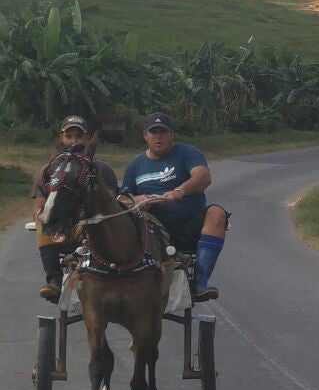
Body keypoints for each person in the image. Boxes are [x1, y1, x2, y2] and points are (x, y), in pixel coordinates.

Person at [120, 113, 228, 302]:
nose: (158, 136)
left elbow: (203, 177)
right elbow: (122, 200)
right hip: (151, 231)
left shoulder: (187, 152)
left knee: (217, 213)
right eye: (154, 132)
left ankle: (200, 283)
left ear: (172, 134)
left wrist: (179, 191)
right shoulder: (135, 165)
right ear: (145, 135)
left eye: (163, 132)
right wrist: (139, 200)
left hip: (188, 227)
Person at [33, 115, 119, 302]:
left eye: (79, 136)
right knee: (41, 222)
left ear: (87, 138)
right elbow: (39, 204)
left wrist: (86, 223)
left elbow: (111, 204)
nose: (74, 141)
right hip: (63, 230)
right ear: (61, 138)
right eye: (69, 136)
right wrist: (48, 220)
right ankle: (54, 280)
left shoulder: (102, 169)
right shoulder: (49, 169)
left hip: (96, 230)